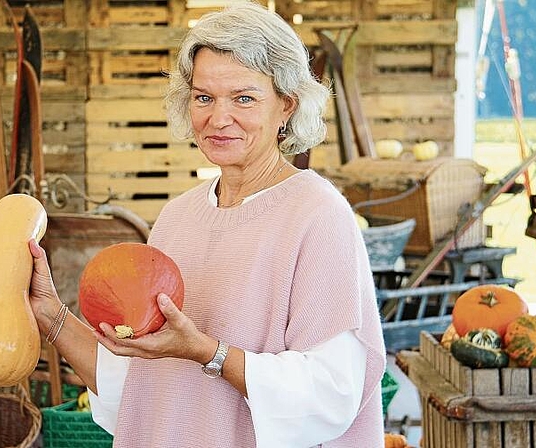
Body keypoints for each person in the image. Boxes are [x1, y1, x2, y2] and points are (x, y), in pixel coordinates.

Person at [27, 2, 386, 447]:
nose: (218, 118)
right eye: (204, 97)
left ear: (286, 106)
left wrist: (205, 351)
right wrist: (49, 313)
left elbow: (330, 393)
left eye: (244, 98)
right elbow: (141, 387)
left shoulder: (317, 214)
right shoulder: (178, 218)